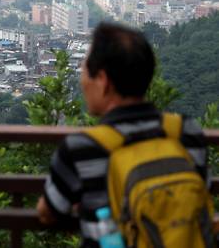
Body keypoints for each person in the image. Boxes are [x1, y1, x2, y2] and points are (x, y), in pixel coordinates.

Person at [36, 22, 209, 247]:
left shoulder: (81, 148)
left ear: (103, 80)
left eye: (84, 69)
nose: (82, 80)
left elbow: (48, 212)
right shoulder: (186, 132)